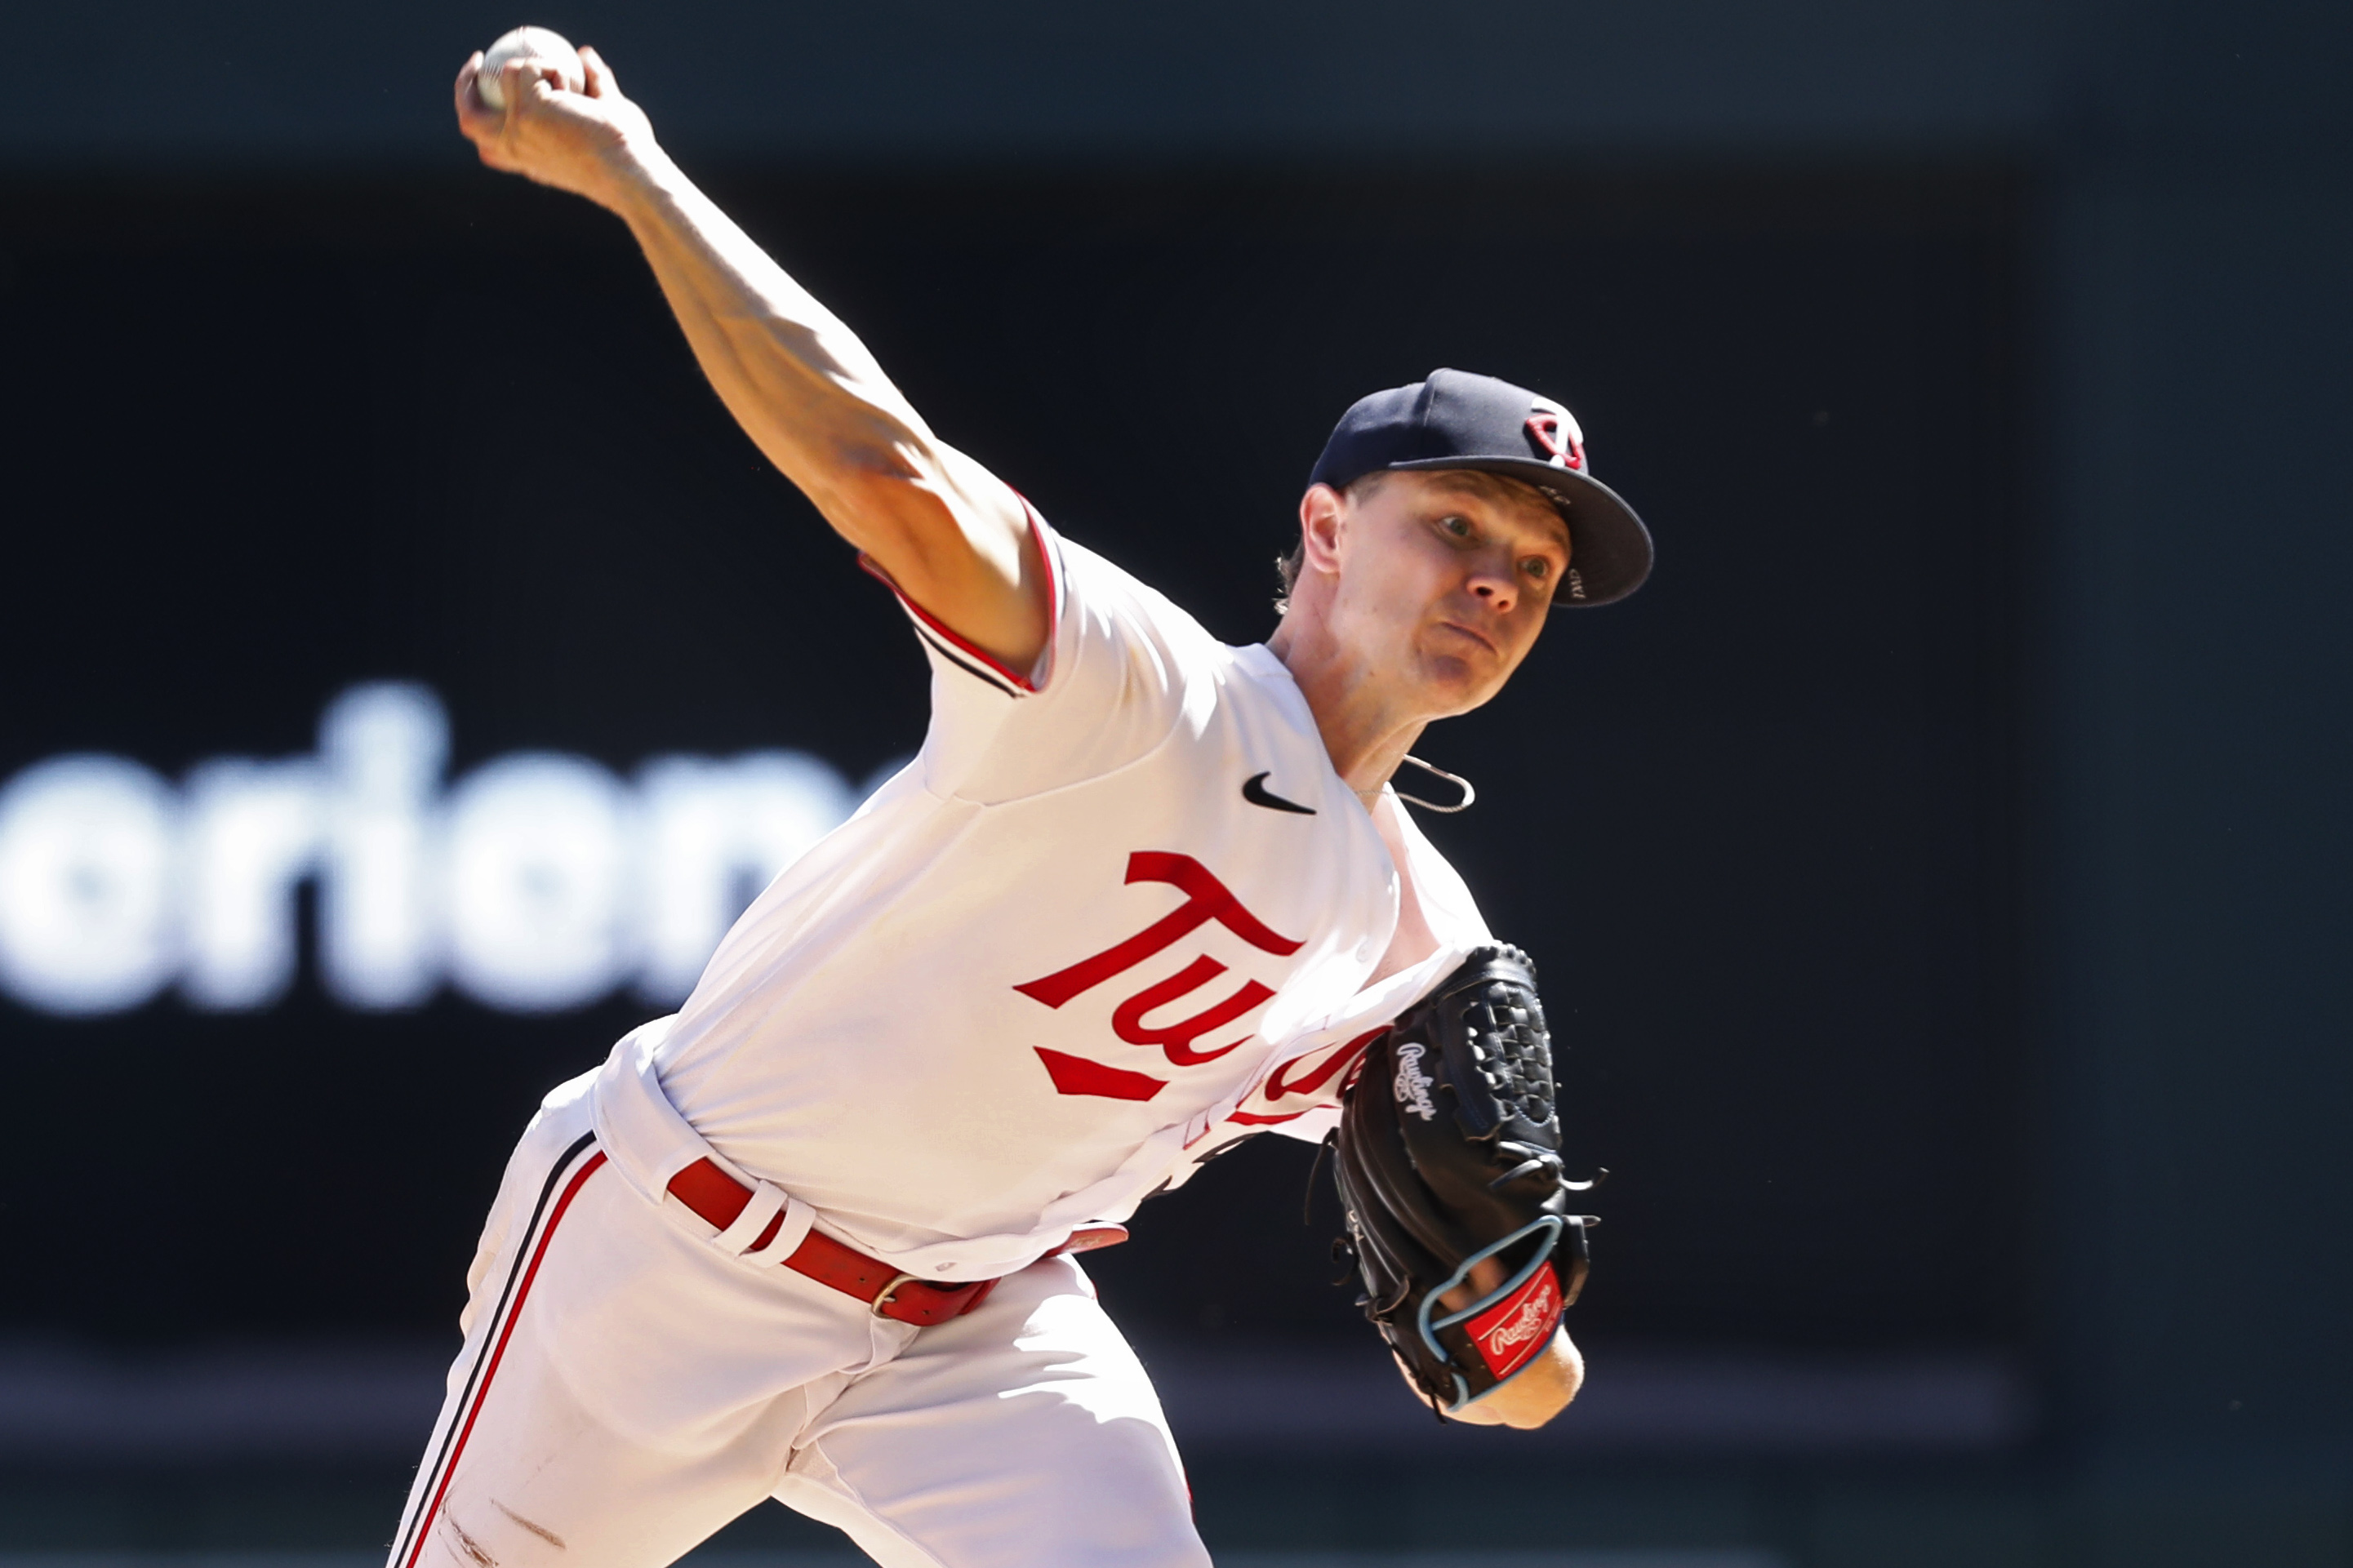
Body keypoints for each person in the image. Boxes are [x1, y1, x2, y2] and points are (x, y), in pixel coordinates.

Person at [393, 41, 1654, 1568]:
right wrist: (632, 173)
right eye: (1454, 523)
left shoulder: (1420, 936)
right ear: (1325, 526)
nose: (1492, 582)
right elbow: (880, 464)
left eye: (1531, 571)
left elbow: (1502, 1391)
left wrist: (1520, 1333)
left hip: (977, 1329)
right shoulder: (1138, 693)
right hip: (674, 1252)